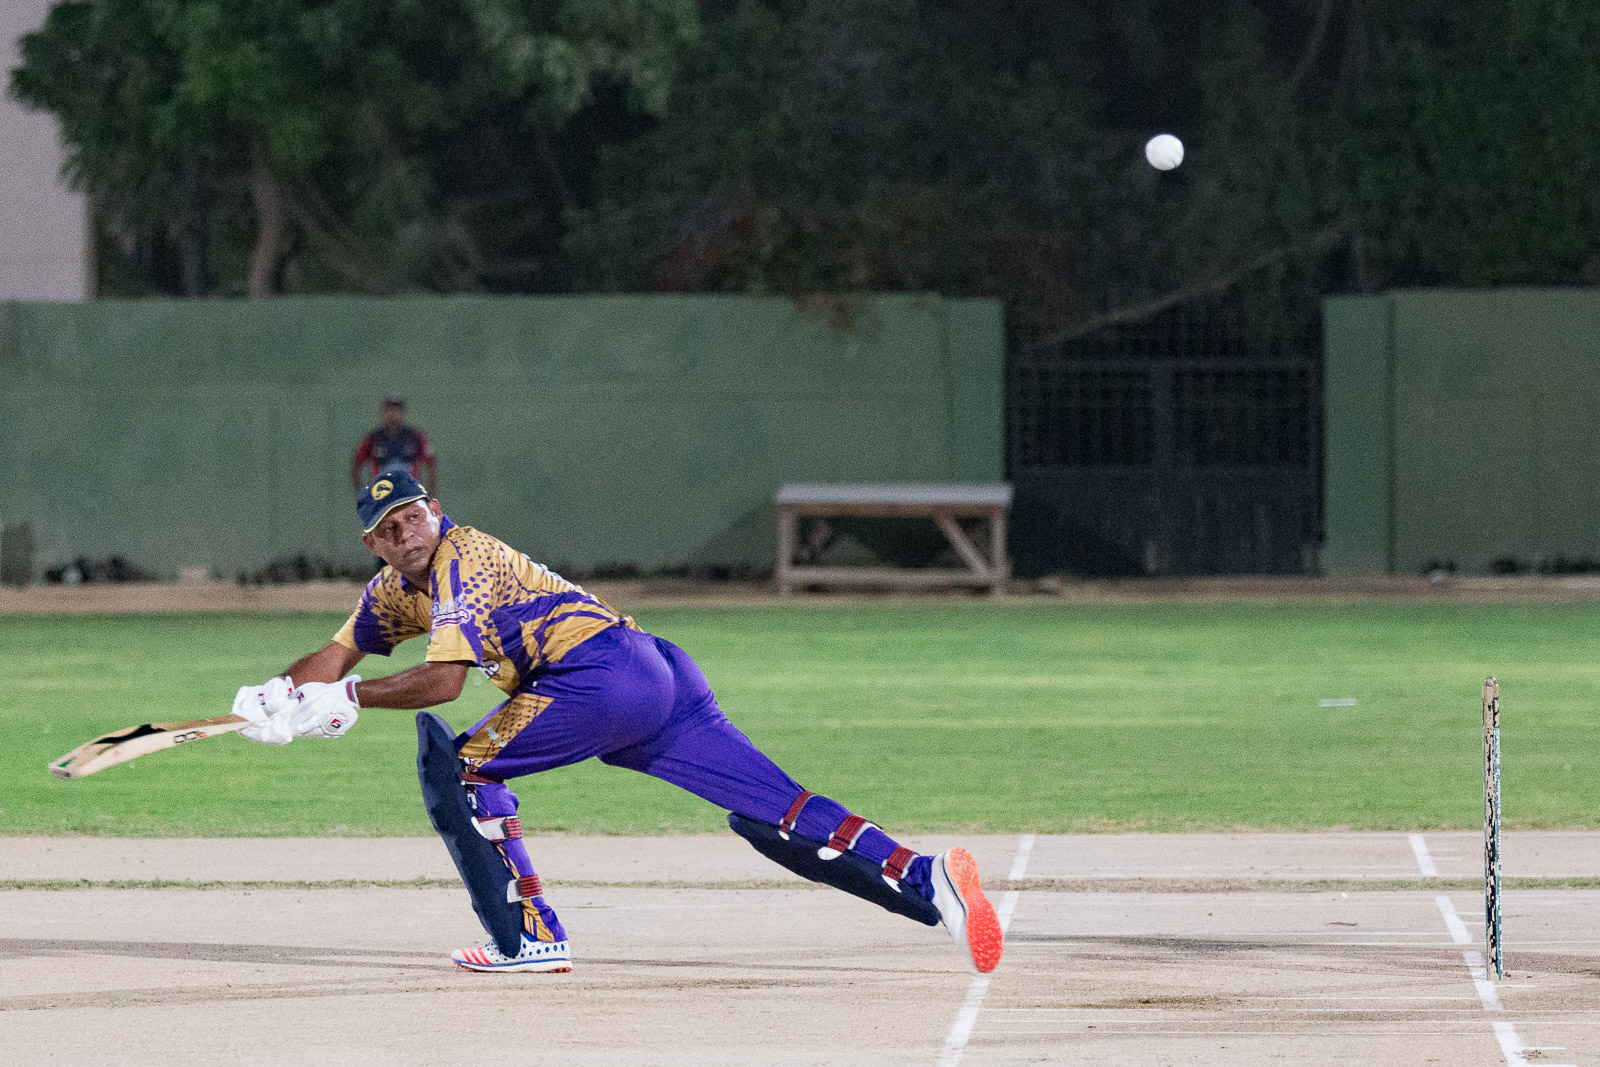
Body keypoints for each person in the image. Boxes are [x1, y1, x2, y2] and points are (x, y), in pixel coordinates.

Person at [232, 472, 1003, 975]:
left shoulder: (461, 557)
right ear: (372, 543)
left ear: (434, 509)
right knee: (780, 805)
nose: (406, 531)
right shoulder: (392, 589)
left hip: (597, 677)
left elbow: (442, 682)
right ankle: (925, 876)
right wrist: (278, 692)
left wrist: (351, 698)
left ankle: (532, 935)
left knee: (467, 767)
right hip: (657, 673)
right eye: (389, 527)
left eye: (413, 515)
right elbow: (337, 652)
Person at [350, 397, 436, 492]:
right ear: (383, 413)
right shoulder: (372, 439)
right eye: (389, 410)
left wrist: (429, 494)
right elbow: (356, 466)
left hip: (409, 494)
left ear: (402, 413)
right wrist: (363, 494)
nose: (393, 414)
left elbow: (431, 465)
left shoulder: (415, 437)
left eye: (397, 411)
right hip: (382, 495)